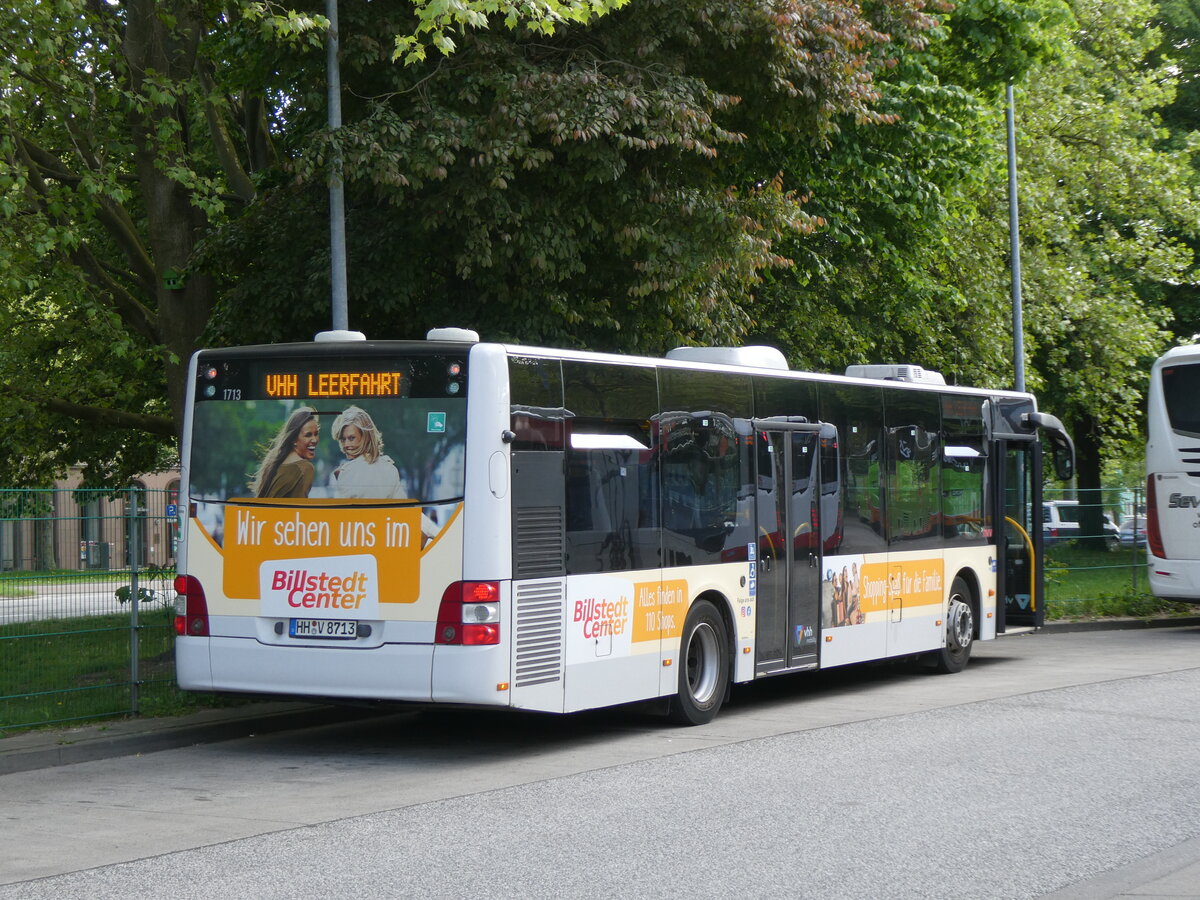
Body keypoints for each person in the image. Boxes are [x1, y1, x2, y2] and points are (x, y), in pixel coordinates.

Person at [329, 406, 404, 499]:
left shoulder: (347, 472)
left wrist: (342, 477)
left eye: (351, 438)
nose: (346, 445)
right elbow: (401, 506)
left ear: (365, 437)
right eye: (343, 439)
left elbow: (345, 510)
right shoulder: (390, 469)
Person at [251, 406, 320, 498]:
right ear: (294, 438)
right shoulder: (305, 468)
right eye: (308, 435)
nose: (314, 440)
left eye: (316, 434)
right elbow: (300, 509)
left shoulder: (274, 459)